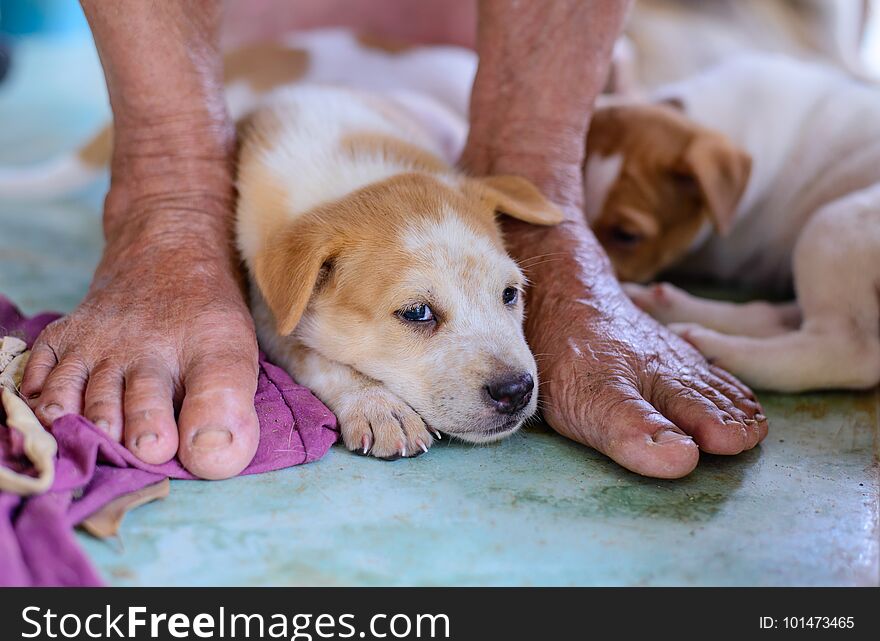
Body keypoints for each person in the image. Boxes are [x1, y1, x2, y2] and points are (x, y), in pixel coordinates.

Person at [21, 0, 767, 480]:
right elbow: (279, 305)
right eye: (420, 314)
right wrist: (346, 387)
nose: (514, 373)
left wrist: (530, 197)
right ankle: (165, 189)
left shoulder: (434, 185)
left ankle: (531, 217)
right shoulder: (296, 245)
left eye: (512, 293)